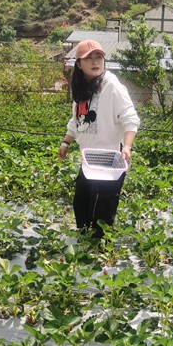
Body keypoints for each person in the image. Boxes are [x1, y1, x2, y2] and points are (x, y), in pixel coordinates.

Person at [58, 39, 140, 238]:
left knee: (102, 210)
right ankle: (85, 244)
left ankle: (100, 249)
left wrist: (127, 146)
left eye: (99, 57)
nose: (95, 62)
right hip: (89, 158)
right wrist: (66, 142)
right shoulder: (82, 88)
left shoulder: (112, 86)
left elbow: (130, 117)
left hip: (111, 159)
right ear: (79, 64)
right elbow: (77, 120)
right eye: (89, 58)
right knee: (81, 204)